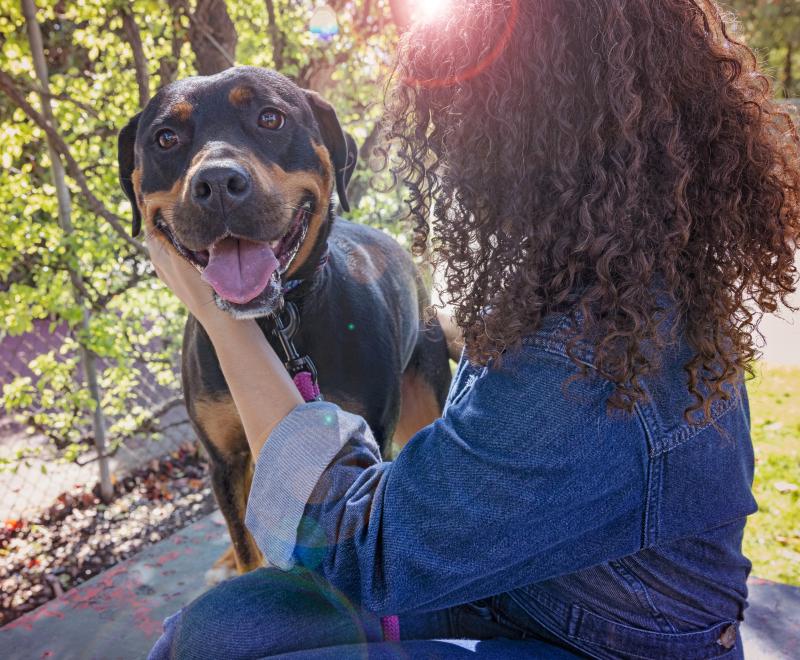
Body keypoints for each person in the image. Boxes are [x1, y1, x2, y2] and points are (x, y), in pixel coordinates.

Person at [147, 0, 800, 658]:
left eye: (461, 113)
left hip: (617, 638)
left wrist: (218, 316)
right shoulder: (607, 261)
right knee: (215, 626)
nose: (449, 141)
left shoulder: (594, 350)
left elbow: (359, 552)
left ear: (528, 124)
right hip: (536, 584)